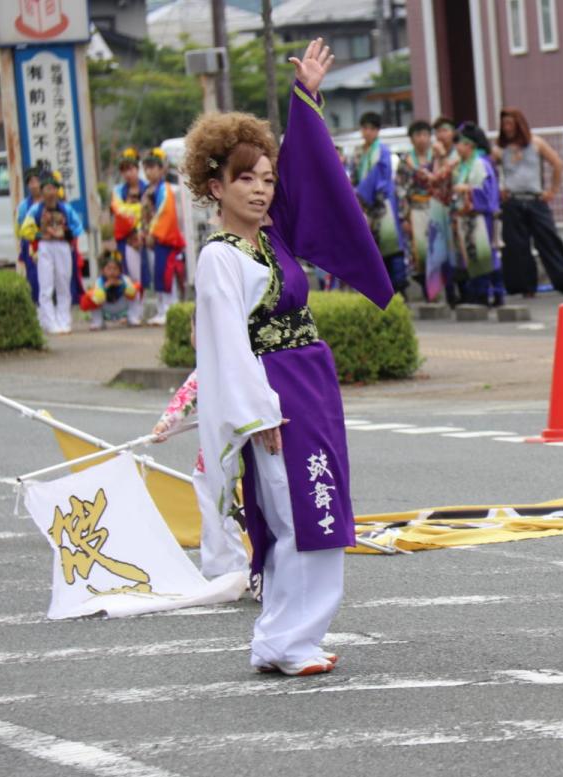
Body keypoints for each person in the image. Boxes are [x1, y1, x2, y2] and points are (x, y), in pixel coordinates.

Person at [183, 38, 393, 676]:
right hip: (273, 395)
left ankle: (287, 637)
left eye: (267, 178)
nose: (260, 190)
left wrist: (307, 98)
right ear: (215, 186)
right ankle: (285, 638)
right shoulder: (220, 257)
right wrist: (258, 414)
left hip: (312, 383)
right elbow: (227, 345)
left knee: (320, 509)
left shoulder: (275, 238)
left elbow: (311, 178)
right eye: (244, 178)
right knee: (296, 514)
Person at [152, 315, 250, 580]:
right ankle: (233, 567)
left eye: (193, 329)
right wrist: (166, 426)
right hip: (237, 452)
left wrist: (164, 425)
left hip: (218, 455)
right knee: (227, 511)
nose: (191, 335)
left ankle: (230, 568)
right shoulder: (244, 362)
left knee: (221, 512)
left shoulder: (209, 368)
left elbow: (185, 398)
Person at [496, 107, 563, 297]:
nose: (507, 127)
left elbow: (557, 163)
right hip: (513, 200)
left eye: (510, 123)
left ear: (519, 124)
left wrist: (552, 191)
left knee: (549, 240)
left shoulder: (536, 142)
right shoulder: (501, 147)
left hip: (535, 199)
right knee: (517, 246)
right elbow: (489, 167)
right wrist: (498, 189)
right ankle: (525, 287)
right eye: (504, 124)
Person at [19, 173, 85, 335]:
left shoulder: (65, 208)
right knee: (46, 285)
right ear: (42, 191)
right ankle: (50, 322)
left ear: (57, 190)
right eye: (47, 189)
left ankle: (64, 321)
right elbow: (25, 229)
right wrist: (40, 235)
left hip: (62, 246)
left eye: (52, 188)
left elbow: (78, 226)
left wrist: (66, 234)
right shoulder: (36, 209)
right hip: (45, 247)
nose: (50, 192)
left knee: (63, 283)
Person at [355, 111, 408, 297]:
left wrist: (361, 193)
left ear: (377, 131)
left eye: (372, 128)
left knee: (391, 246)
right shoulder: (361, 153)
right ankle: (385, 290)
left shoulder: (382, 151)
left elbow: (380, 178)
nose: (368, 132)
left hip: (383, 203)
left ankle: (399, 287)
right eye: (365, 128)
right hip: (369, 206)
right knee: (377, 249)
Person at [450, 122, 504, 307]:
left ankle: (492, 293)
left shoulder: (481, 164)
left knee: (485, 255)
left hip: (482, 217)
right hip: (468, 217)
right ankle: (481, 293)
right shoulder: (464, 165)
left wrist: (467, 189)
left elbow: (486, 193)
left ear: (470, 145)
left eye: (460, 143)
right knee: (475, 256)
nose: (457, 147)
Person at [143, 148, 187, 325]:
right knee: (158, 275)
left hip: (164, 238)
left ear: (162, 169)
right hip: (154, 237)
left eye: (153, 167)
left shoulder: (165, 189)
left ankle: (170, 308)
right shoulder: (148, 190)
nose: (149, 171)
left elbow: (165, 213)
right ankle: (162, 309)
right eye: (147, 168)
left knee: (167, 274)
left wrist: (153, 233)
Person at [395, 119, 437, 300]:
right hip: (415, 210)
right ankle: (426, 288)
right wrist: (404, 217)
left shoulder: (437, 159)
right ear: (412, 139)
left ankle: (438, 288)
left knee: (437, 249)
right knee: (419, 251)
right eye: (418, 135)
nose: (422, 139)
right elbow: (400, 191)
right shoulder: (405, 162)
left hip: (435, 208)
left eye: (425, 135)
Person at [426, 116, 461, 305]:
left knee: (457, 252)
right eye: (438, 131)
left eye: (445, 130)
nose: (441, 135)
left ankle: (464, 292)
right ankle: (447, 294)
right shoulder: (435, 156)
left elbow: (441, 176)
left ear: (453, 133)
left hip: (454, 209)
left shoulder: (458, 153)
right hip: (438, 210)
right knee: (440, 253)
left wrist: (441, 157)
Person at [111, 172, 147, 326]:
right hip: (128, 242)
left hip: (145, 240)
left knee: (143, 278)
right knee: (130, 278)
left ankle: (139, 312)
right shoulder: (118, 191)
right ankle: (132, 313)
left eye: (131, 168)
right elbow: (119, 212)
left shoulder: (147, 188)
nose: (128, 173)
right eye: (124, 169)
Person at [81, 251, 139, 330]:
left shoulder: (124, 279)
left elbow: (132, 292)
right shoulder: (99, 281)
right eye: (109, 268)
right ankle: (98, 322)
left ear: (120, 271)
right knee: (93, 295)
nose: (112, 271)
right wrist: (105, 286)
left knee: (135, 290)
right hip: (106, 307)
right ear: (103, 271)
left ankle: (133, 318)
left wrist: (121, 285)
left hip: (121, 306)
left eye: (115, 268)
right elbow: (97, 298)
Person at [16, 167, 43, 304]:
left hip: (48, 242)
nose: (34, 185)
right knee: (33, 276)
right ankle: (36, 303)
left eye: (36, 181)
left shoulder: (48, 201)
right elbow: (20, 228)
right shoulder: (23, 206)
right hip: (31, 245)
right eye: (31, 182)